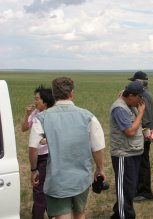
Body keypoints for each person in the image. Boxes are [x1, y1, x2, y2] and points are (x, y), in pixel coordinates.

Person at [28, 77, 105, 219]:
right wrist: (99, 170)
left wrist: (34, 170)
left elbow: (33, 147)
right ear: (72, 93)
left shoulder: (42, 118)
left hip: (57, 180)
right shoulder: (88, 116)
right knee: (80, 213)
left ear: (54, 94)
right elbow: (97, 148)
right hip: (82, 179)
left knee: (62, 215)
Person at [110, 80, 147, 219]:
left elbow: (135, 127)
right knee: (125, 190)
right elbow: (129, 132)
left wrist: (144, 132)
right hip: (123, 154)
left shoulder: (130, 105)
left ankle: (118, 214)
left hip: (133, 152)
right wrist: (141, 113)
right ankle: (125, 215)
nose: (141, 100)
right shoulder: (119, 108)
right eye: (139, 97)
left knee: (129, 189)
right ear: (131, 95)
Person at [22, 85, 55, 219]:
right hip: (37, 156)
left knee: (39, 189)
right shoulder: (35, 113)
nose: (35, 101)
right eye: (35, 98)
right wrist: (27, 114)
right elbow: (24, 128)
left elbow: (56, 133)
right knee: (41, 189)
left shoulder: (51, 115)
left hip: (47, 156)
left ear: (45, 101)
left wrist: (46, 140)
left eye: (37, 99)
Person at [128, 71, 153, 201]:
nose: (131, 83)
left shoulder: (143, 96)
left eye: (134, 81)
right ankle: (141, 190)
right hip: (147, 132)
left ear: (139, 82)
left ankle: (144, 192)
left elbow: (145, 117)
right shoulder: (146, 93)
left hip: (144, 133)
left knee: (142, 163)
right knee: (142, 161)